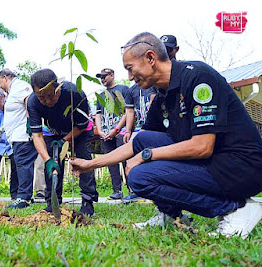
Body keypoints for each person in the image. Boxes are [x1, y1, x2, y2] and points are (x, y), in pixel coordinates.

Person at [70, 32, 262, 238]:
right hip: (212, 161)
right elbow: (138, 141)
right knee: (143, 141)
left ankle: (235, 208)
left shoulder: (198, 77)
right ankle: (171, 215)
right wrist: (89, 165)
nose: (129, 77)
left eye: (130, 68)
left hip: (240, 167)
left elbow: (202, 146)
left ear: (151, 58)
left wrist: (147, 155)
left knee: (140, 177)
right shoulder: (163, 93)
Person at [28, 68, 98, 216]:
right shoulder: (33, 102)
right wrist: (47, 160)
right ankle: (52, 202)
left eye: (50, 95)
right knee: (53, 161)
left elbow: (81, 125)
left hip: (79, 129)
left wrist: (64, 141)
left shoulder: (74, 93)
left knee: (83, 160)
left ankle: (87, 200)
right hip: (53, 131)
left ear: (58, 87)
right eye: (41, 97)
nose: (46, 101)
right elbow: (37, 136)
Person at [0, 69, 38, 209]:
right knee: (22, 165)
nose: (0, 85)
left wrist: (29, 121)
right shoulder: (12, 91)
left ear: (5, 78)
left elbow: (30, 100)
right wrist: (0, 130)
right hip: (15, 136)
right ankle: (25, 196)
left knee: (23, 165)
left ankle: (23, 198)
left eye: (0, 81)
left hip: (23, 135)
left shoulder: (20, 86)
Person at [95, 68, 128, 200]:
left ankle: (132, 189)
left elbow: (128, 111)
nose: (102, 79)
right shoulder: (101, 95)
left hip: (120, 132)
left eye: (104, 76)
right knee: (110, 162)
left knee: (125, 160)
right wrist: (100, 131)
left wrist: (117, 129)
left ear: (112, 75)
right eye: (100, 77)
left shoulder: (123, 89)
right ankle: (117, 190)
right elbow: (98, 114)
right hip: (105, 133)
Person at [122, 81, 157, 203]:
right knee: (129, 155)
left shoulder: (155, 86)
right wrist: (127, 131)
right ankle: (134, 191)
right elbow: (130, 112)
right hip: (139, 127)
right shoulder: (131, 90)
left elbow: (154, 106)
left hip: (155, 127)